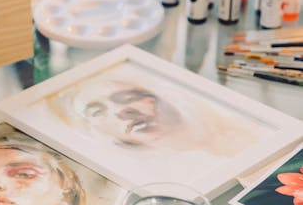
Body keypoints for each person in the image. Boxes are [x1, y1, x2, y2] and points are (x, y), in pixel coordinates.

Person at [46, 65, 261, 157]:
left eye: (128, 98)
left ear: (153, 99)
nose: (122, 112)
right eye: (96, 112)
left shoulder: (246, 133)